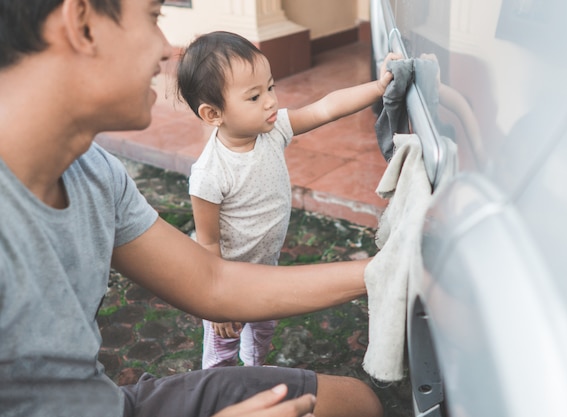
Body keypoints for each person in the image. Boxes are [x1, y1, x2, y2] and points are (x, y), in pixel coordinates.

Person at [0, 1, 384, 417]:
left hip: (104, 403)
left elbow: (212, 282)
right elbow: (210, 247)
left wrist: (389, 270)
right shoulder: (207, 172)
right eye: (153, 16)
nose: (167, 49)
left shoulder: (97, 173)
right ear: (83, 25)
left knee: (356, 404)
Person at [175, 31, 397, 370]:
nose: (269, 102)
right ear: (213, 114)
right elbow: (208, 243)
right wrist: (215, 304)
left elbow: (325, 108)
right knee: (222, 351)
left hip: (267, 270)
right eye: (253, 97)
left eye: (270, 88)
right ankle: (218, 394)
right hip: (228, 282)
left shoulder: (274, 129)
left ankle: (255, 372)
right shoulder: (209, 173)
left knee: (262, 331)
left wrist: (378, 87)